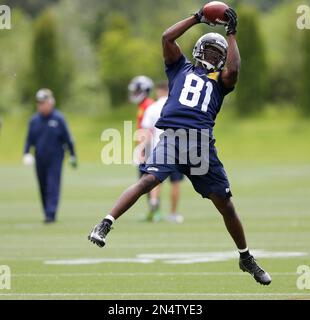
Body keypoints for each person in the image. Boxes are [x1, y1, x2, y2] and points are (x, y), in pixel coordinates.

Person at [88, 7, 271, 285]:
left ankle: (246, 258)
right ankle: (105, 223)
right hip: (172, 138)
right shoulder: (178, 68)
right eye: (208, 50)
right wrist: (197, 17)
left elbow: (233, 68)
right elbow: (167, 38)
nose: (212, 56)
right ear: (198, 50)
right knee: (148, 180)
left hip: (200, 146)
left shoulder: (221, 82)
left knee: (225, 204)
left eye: (216, 54)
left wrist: (231, 34)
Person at [23, 89, 77, 223]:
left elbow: (67, 138)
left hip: (56, 158)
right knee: (42, 186)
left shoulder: (58, 118)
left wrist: (72, 155)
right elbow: (29, 139)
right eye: (39, 103)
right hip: (40, 158)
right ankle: (47, 211)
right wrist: (26, 153)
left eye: (43, 102)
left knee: (52, 185)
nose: (41, 105)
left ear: (51, 102)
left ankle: (51, 213)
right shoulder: (34, 120)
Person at [141, 81, 184, 223]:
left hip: (157, 148)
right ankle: (173, 213)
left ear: (158, 91)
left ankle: (154, 206)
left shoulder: (152, 108)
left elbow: (146, 132)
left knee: (155, 180)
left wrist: (143, 151)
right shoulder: (178, 105)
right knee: (175, 182)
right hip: (177, 149)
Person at [128, 76, 161, 222]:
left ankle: (155, 211)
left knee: (148, 180)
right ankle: (152, 211)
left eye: (137, 90)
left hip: (150, 147)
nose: (135, 93)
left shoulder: (148, 105)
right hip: (147, 146)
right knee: (145, 180)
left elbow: (149, 130)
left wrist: (143, 149)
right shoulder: (143, 105)